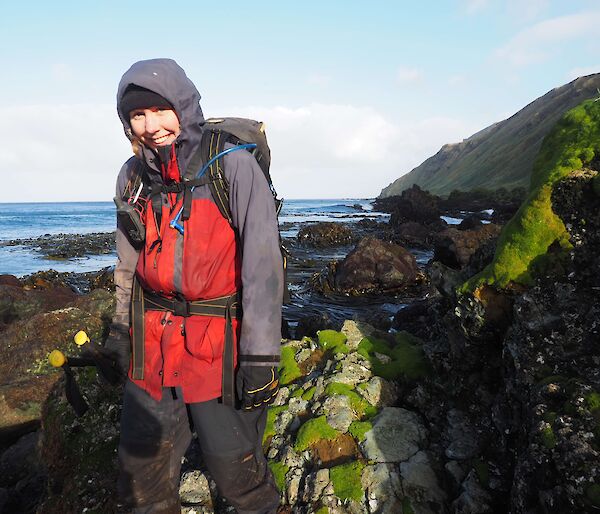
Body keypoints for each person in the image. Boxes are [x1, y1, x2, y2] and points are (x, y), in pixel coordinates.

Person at [104, 58, 284, 514]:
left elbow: (263, 268)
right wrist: (120, 331)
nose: (151, 126)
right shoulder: (132, 178)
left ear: (182, 106)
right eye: (137, 117)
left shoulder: (234, 167)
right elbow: (127, 265)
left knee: (237, 476)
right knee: (139, 476)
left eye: (159, 111)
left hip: (218, 346)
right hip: (153, 344)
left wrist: (261, 358)